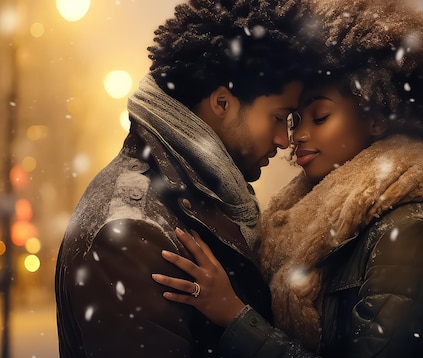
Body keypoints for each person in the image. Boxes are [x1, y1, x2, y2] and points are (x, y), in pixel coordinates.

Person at [152, 0, 423, 356]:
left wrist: (235, 317)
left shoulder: (407, 236)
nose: (297, 136)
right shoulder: (299, 227)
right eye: (294, 119)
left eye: (320, 116)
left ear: (376, 119)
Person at [54, 0, 323, 357]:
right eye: (278, 117)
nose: (284, 140)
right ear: (223, 103)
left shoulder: (204, 199)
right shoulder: (131, 232)